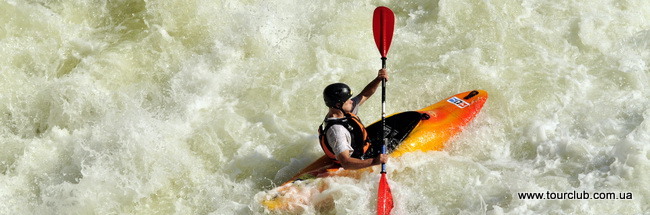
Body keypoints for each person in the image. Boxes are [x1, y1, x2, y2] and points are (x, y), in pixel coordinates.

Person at [318, 69, 389, 170]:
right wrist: (374, 161)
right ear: (338, 104)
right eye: (347, 100)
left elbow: (364, 95)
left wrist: (378, 79)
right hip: (357, 161)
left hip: (362, 148)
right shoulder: (336, 131)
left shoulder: (341, 111)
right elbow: (346, 163)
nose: (351, 101)